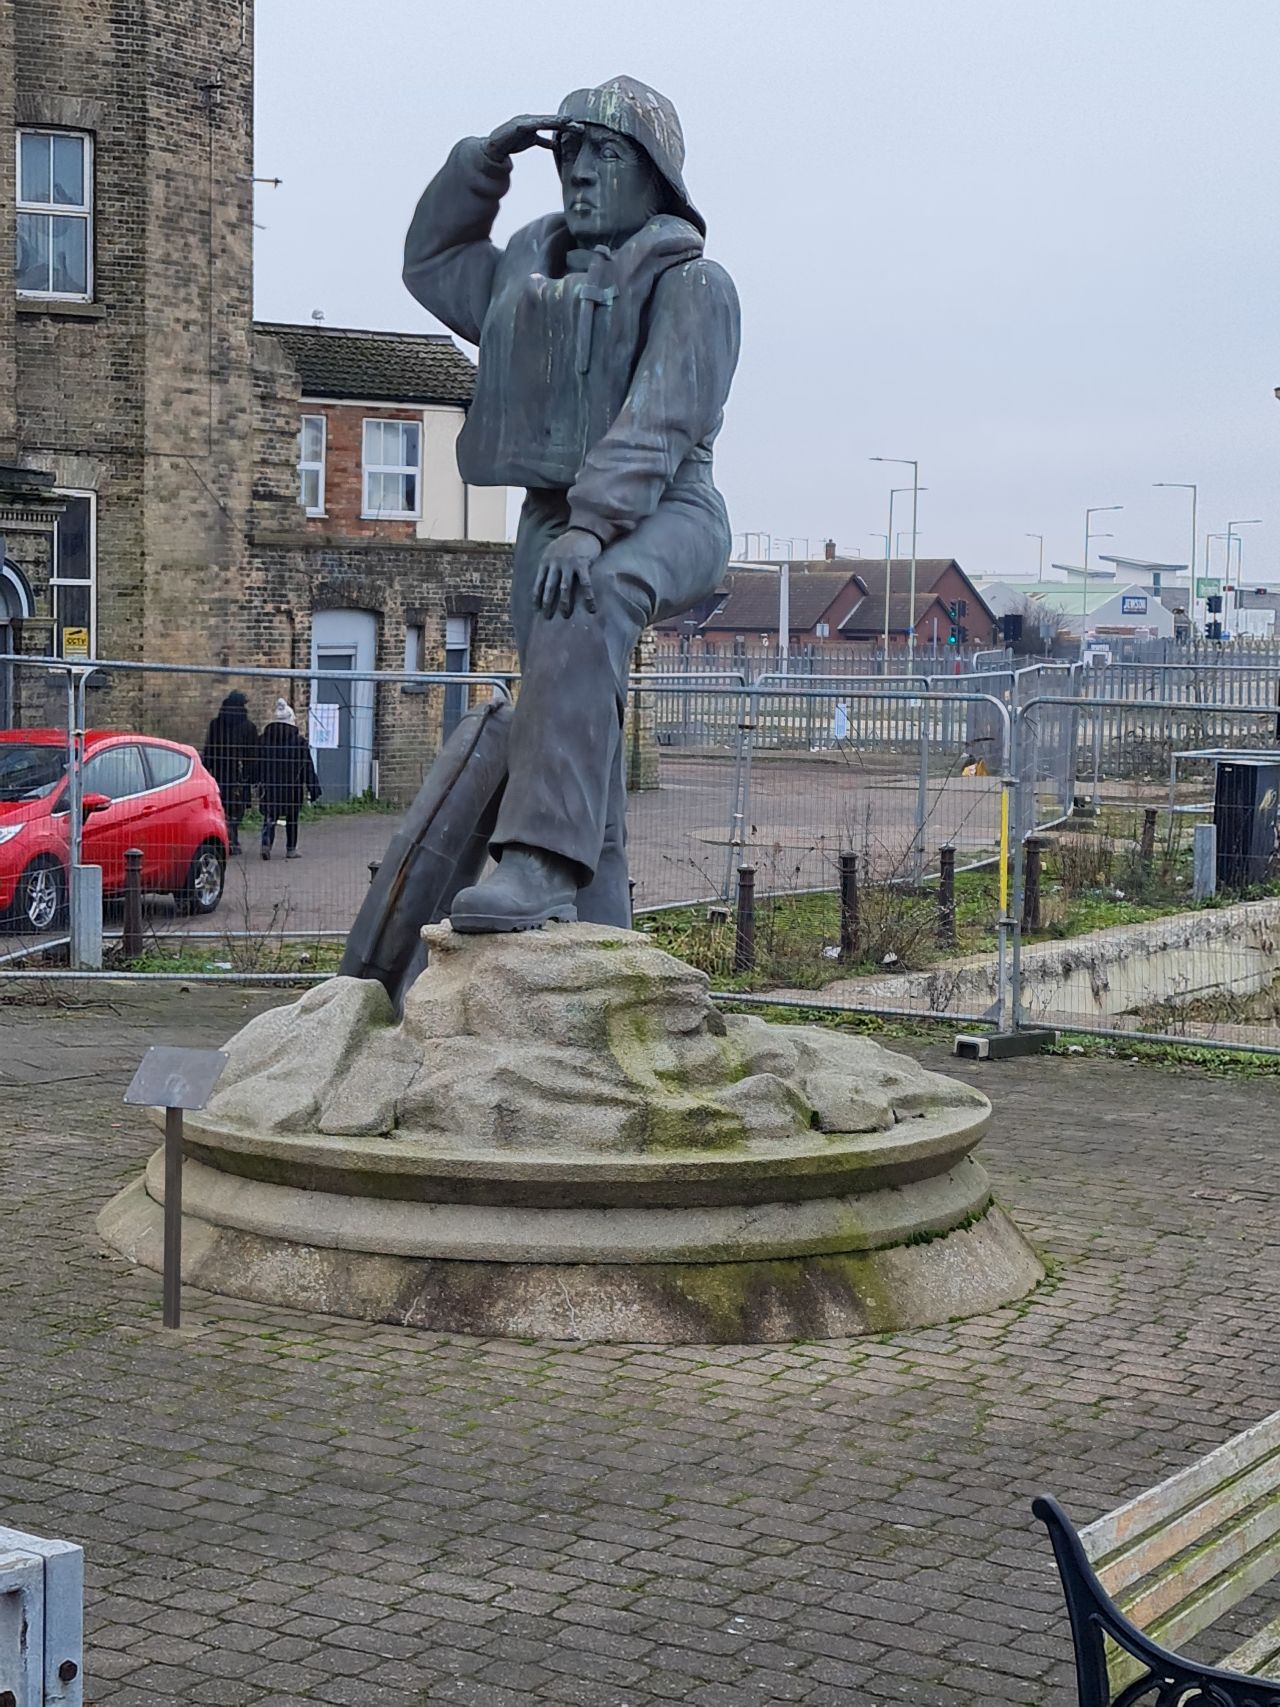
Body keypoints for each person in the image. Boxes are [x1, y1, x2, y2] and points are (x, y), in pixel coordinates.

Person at [403, 75, 740, 932]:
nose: (580, 172)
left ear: (654, 176)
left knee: (589, 604)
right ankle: (597, 927)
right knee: (574, 707)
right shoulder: (531, 281)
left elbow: (660, 423)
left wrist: (591, 526)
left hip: (667, 508)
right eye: (570, 152)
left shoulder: (695, 287)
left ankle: (541, 864)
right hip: (557, 522)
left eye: (606, 153)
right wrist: (483, 163)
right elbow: (432, 263)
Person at [258, 699, 320, 861]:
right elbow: (307, 767)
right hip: (292, 787)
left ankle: (266, 844)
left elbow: (256, 764)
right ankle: (291, 849)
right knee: (292, 818)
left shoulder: (263, 740)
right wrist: (313, 788)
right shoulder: (299, 742)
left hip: (270, 786)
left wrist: (253, 780)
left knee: (270, 816)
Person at [201, 690, 257, 855]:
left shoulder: (216, 724)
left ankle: (227, 837)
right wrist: (251, 775)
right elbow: (252, 754)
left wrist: (207, 770)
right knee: (237, 807)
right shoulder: (248, 726)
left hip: (219, 771)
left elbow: (209, 749)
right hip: (239, 773)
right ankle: (232, 838)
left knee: (221, 806)